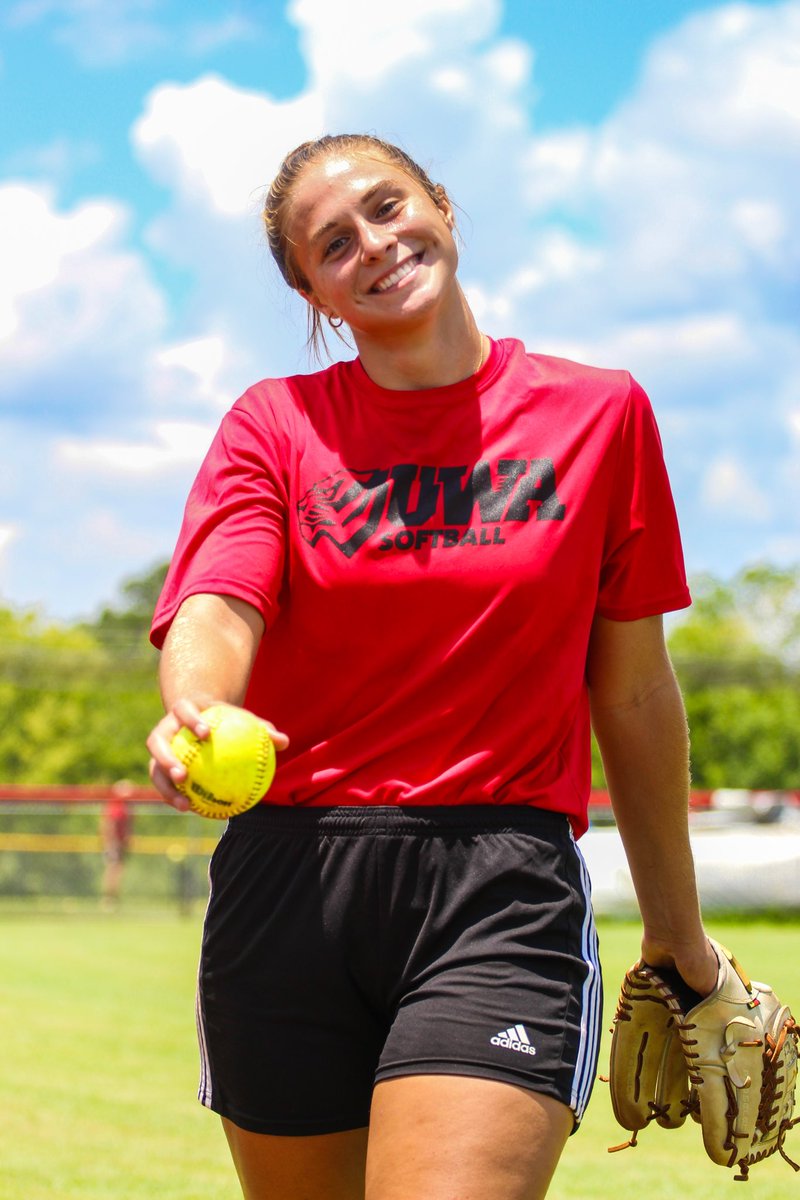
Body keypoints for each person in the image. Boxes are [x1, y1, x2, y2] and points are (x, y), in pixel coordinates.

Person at [146, 133, 719, 1200]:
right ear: (313, 291)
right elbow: (220, 599)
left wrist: (673, 931)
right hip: (288, 886)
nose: (373, 242)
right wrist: (195, 705)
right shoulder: (275, 424)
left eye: (386, 205)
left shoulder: (599, 415)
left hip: (497, 884)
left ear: (441, 207)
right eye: (332, 243)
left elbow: (633, 690)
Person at [100, 779, 134, 908]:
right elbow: (109, 825)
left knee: (118, 870)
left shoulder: (127, 806)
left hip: (121, 844)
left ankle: (114, 898)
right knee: (112, 870)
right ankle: (108, 899)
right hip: (114, 844)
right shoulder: (116, 805)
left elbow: (129, 827)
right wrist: (111, 843)